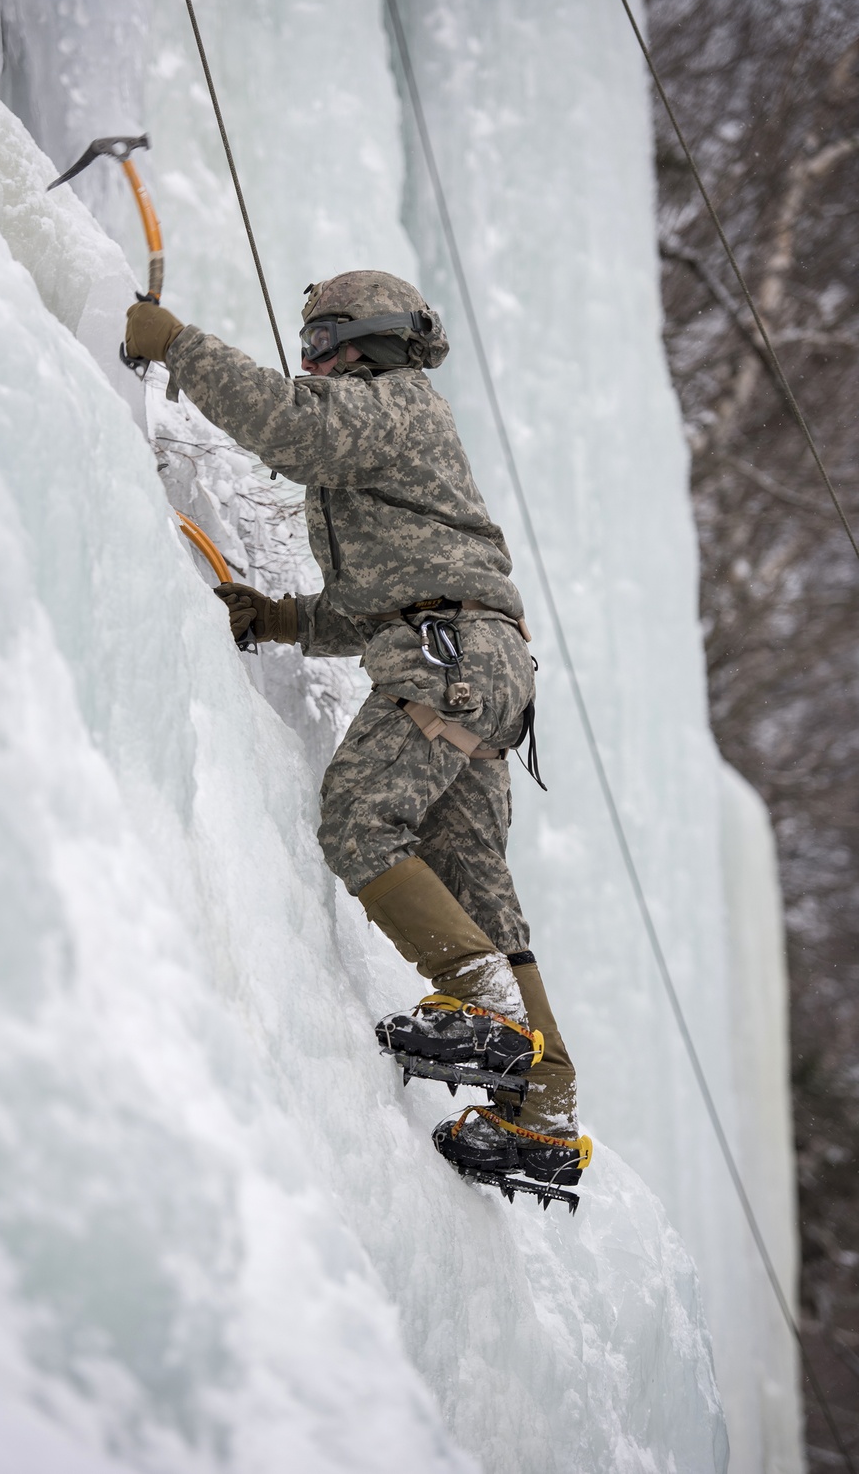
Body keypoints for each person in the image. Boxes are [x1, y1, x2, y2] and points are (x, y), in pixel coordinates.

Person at [125, 271, 588, 1191]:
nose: (315, 359)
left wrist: (176, 343)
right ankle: (545, 1108)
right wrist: (283, 618)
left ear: (373, 340)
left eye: (325, 338)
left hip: (449, 656)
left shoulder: (393, 401)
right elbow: (375, 599)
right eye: (308, 345)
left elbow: (290, 426)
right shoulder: (392, 428)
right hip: (476, 661)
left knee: (356, 818)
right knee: (479, 891)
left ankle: (485, 1009)